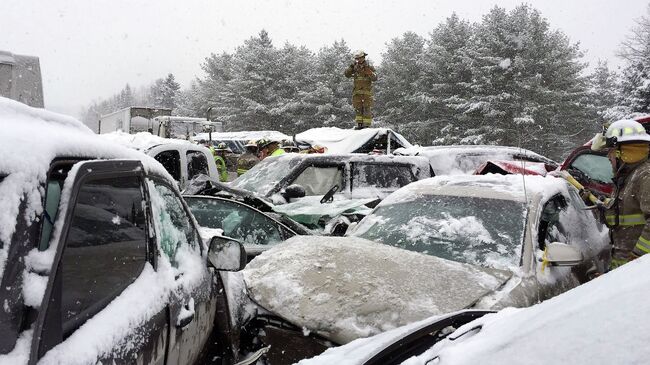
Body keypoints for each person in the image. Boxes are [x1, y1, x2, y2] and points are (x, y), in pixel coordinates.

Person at [592, 119, 650, 269]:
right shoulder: (629, 177)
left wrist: (637, 258)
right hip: (625, 271)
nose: (608, 157)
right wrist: (601, 205)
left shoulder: (645, 176)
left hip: (637, 273)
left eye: (610, 152)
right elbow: (625, 215)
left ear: (622, 153)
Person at [344, 50, 377, 129]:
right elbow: (347, 74)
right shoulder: (354, 67)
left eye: (359, 58)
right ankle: (359, 125)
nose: (358, 60)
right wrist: (351, 67)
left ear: (363, 57)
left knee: (366, 108)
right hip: (357, 92)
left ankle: (367, 125)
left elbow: (375, 78)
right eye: (357, 59)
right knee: (358, 108)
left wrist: (370, 73)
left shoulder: (369, 66)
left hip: (367, 92)